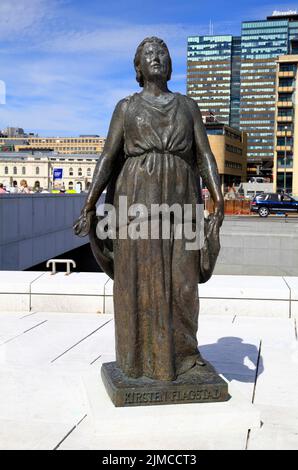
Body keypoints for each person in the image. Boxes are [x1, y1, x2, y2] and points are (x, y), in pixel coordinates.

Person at [74, 37, 223, 382]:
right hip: (136, 203)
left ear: (171, 63)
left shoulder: (188, 107)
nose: (156, 57)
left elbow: (205, 157)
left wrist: (218, 200)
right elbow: (108, 158)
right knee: (137, 280)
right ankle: (137, 360)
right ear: (138, 68)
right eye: (148, 54)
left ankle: (185, 355)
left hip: (182, 201)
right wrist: (88, 204)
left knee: (184, 283)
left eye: (162, 53)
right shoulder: (126, 108)